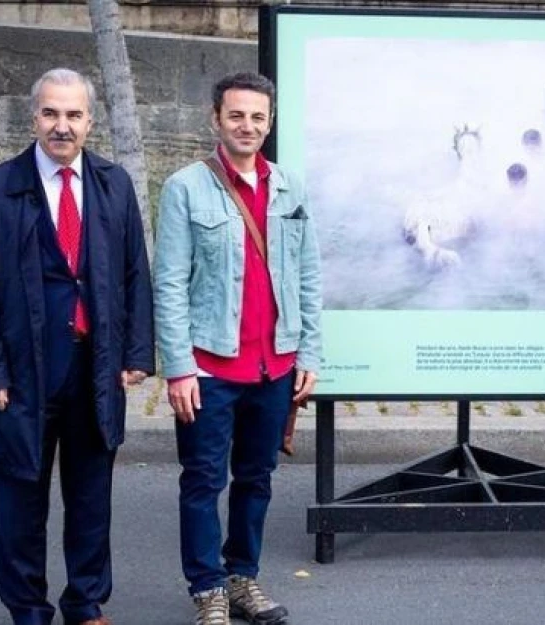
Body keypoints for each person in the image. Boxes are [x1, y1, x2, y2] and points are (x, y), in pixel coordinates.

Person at [0, 67, 154, 625]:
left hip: (95, 367)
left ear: (90, 121)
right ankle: (27, 609)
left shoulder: (114, 185)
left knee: (91, 498)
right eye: (50, 113)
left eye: (73, 115)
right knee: (20, 500)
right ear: (33, 117)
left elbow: (136, 272)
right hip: (21, 373)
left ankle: (85, 602)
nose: (61, 126)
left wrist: (137, 353)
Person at [153, 72, 322, 625]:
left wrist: (308, 355)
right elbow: (170, 283)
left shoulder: (290, 187)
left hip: (274, 367)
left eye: (257, 117)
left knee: (257, 477)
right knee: (203, 479)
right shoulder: (185, 187)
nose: (247, 126)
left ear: (269, 123)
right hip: (209, 367)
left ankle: (242, 577)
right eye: (236, 116)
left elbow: (308, 276)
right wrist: (179, 368)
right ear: (215, 119)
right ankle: (208, 589)